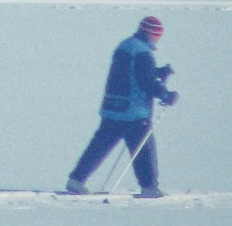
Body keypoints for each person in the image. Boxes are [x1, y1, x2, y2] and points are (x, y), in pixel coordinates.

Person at [65, 15, 178, 197]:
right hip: (133, 112)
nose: (158, 39)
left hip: (112, 108)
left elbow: (131, 74)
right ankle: (150, 188)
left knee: (98, 148)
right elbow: (146, 82)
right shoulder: (143, 53)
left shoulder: (125, 45)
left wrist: (158, 72)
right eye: (158, 35)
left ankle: (76, 180)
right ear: (151, 33)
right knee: (143, 150)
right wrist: (166, 94)